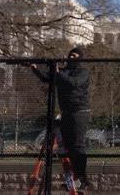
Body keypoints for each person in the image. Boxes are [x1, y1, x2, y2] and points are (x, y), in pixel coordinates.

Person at [31, 47, 91, 189]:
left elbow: (73, 83)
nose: (71, 58)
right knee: (68, 147)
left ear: (80, 59)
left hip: (80, 113)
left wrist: (58, 72)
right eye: (70, 55)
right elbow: (47, 78)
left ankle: (82, 178)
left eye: (75, 56)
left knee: (78, 146)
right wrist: (35, 69)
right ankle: (75, 178)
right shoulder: (63, 72)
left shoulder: (83, 72)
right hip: (66, 113)